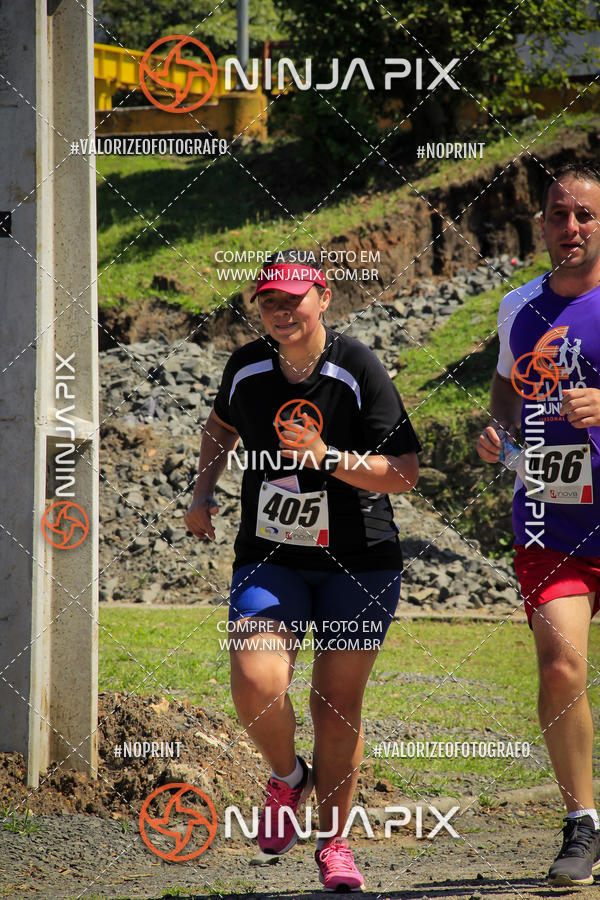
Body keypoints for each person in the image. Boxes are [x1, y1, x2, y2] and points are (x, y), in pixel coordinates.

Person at [185, 249, 420, 891]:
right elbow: (219, 427)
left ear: (323, 297)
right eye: (269, 301)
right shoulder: (247, 366)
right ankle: (289, 779)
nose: (281, 311)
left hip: (359, 561)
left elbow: (403, 472)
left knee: (334, 707)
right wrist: (202, 492)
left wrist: (328, 458)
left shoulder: (357, 368)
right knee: (255, 680)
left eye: (293, 298)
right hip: (272, 554)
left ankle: (335, 843)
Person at [477, 163, 600, 887]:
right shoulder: (518, 308)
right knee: (560, 667)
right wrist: (497, 436)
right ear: (542, 223)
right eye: (559, 214)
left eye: (585, 214)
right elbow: (504, 389)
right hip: (550, 522)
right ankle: (583, 820)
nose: (571, 228)